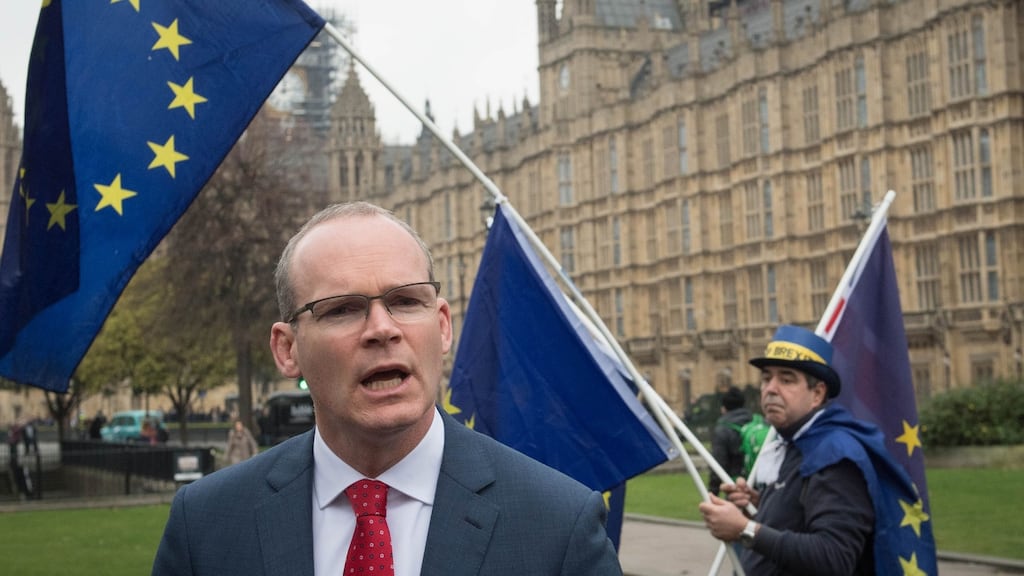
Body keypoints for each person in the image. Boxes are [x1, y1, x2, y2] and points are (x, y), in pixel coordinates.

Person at [153, 202, 622, 576]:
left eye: (405, 301)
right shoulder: (207, 526)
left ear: (441, 327)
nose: (382, 328)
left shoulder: (558, 525)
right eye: (342, 309)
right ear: (286, 348)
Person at [698, 324, 922, 575]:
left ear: (817, 394)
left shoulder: (835, 454)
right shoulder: (796, 441)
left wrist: (745, 529)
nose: (771, 389)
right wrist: (761, 506)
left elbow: (834, 556)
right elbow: (804, 516)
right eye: (766, 378)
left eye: (786, 379)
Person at [708, 386, 752, 496]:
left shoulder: (722, 430)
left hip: (736, 486)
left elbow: (718, 464)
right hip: (759, 486)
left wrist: (712, 492)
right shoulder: (756, 424)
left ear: (724, 408)